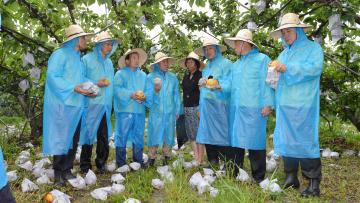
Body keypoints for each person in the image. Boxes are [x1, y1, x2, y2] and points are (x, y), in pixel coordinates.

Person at [270, 13, 324, 197]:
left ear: (299, 30)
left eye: (289, 31)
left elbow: (315, 68)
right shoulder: (283, 54)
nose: (285, 35)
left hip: (303, 105)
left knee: (305, 142)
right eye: (283, 32)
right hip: (285, 105)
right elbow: (278, 78)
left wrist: (288, 69)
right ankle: (291, 177)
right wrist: (272, 77)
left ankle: (313, 184)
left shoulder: (312, 48)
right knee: (287, 141)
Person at [42, 24, 94, 186]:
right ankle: (58, 172)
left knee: (72, 138)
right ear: (76, 39)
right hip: (62, 105)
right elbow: (53, 77)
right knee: (61, 138)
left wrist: (91, 87)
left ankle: (67, 169)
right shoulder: (60, 54)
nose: (86, 40)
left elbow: (80, 80)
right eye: (84, 37)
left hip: (76, 105)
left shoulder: (78, 59)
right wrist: (73, 88)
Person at [224, 29, 274, 182]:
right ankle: (234, 172)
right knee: (235, 141)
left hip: (254, 107)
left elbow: (267, 83)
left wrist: (268, 104)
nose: (234, 46)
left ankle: (258, 176)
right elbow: (230, 85)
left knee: (255, 141)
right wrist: (219, 86)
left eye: (236, 43)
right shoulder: (236, 64)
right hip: (236, 108)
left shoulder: (262, 59)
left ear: (245, 43)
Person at [79, 31, 118, 173]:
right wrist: (96, 83)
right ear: (100, 45)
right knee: (88, 133)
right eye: (107, 44)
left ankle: (101, 163)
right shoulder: (87, 60)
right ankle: (85, 165)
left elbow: (112, 84)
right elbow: (81, 79)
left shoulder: (109, 63)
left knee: (103, 134)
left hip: (106, 105)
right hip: (92, 102)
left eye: (111, 44)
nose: (110, 47)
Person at [194, 38, 232, 166]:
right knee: (207, 132)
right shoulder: (206, 68)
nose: (208, 51)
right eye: (206, 49)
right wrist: (200, 106)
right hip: (206, 105)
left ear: (216, 49)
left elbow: (230, 84)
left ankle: (227, 162)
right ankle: (213, 161)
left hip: (220, 104)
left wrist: (218, 84)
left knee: (222, 131)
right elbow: (203, 90)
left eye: (210, 48)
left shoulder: (226, 64)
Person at [145, 52, 181, 166]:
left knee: (169, 133)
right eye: (163, 62)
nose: (166, 64)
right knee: (154, 132)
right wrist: (155, 91)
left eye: (167, 61)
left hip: (170, 111)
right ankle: (152, 157)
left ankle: (167, 155)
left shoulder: (173, 77)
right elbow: (147, 96)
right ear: (157, 64)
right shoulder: (150, 77)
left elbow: (176, 95)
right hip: (156, 112)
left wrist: (177, 110)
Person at [114, 48, 148, 167]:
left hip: (139, 110)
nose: (136, 60)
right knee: (122, 134)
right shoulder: (120, 74)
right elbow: (117, 90)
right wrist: (131, 94)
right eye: (133, 57)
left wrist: (145, 97)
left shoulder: (144, 75)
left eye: (137, 57)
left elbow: (148, 91)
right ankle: (121, 162)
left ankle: (138, 161)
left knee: (138, 134)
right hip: (125, 110)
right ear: (127, 61)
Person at [179, 51, 205, 164]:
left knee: (199, 133)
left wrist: (200, 108)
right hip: (187, 107)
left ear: (196, 63)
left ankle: (200, 158)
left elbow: (202, 93)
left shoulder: (201, 75)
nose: (189, 64)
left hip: (196, 107)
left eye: (191, 62)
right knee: (191, 134)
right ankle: (196, 156)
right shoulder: (185, 77)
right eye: (187, 62)